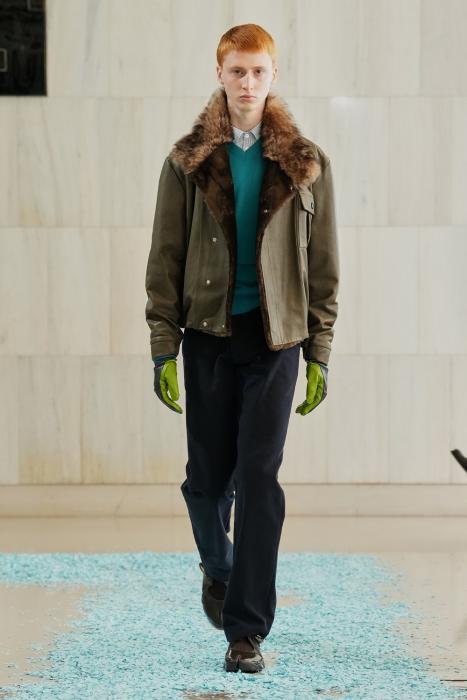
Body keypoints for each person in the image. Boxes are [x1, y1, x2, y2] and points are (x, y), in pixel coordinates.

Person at [145, 23, 339, 673]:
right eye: (237, 71)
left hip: (276, 339)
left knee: (259, 478)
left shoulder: (305, 162)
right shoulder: (187, 161)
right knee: (207, 483)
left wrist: (319, 352)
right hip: (207, 336)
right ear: (220, 75)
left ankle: (245, 631)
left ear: (273, 75)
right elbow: (165, 257)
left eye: (258, 71)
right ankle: (218, 565)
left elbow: (324, 265)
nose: (248, 83)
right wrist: (163, 346)